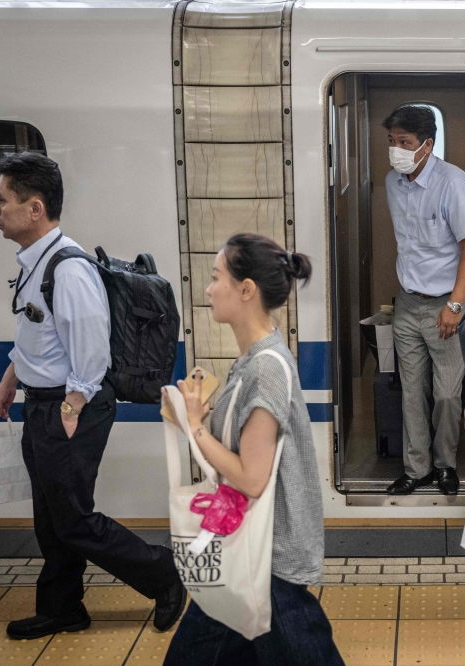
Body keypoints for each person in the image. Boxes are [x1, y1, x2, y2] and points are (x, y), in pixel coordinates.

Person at [0, 153, 185, 640]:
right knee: (52, 517)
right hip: (43, 404)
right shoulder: (35, 264)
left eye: (1, 200)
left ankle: (164, 575)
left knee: (73, 518)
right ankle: (62, 608)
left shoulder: (68, 270)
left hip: (69, 408)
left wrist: (71, 409)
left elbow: (92, 355)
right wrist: (10, 381)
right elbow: (36, 334)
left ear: (34, 208)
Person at [163, 234, 343, 665]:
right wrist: (197, 419)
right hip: (245, 548)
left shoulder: (266, 368)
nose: (207, 289)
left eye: (215, 277)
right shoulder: (252, 361)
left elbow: (251, 478)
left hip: (266, 559)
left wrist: (196, 430)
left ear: (247, 290)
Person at [383, 104, 465, 496]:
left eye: (404, 142)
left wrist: (456, 306)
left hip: (448, 303)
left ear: (427, 144)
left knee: (445, 394)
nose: (396, 150)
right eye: (391, 142)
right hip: (408, 302)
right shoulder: (394, 182)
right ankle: (416, 468)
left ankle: (445, 465)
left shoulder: (453, 183)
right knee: (411, 392)